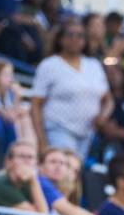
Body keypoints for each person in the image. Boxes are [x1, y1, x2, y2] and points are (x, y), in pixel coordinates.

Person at [30, 20, 112, 158]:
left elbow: (108, 99)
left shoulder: (93, 65)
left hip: (87, 133)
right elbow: (36, 104)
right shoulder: (49, 65)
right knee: (64, 171)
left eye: (80, 35)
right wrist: (41, 140)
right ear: (60, 38)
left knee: (74, 174)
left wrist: (103, 116)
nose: (75, 39)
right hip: (58, 129)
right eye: (70, 34)